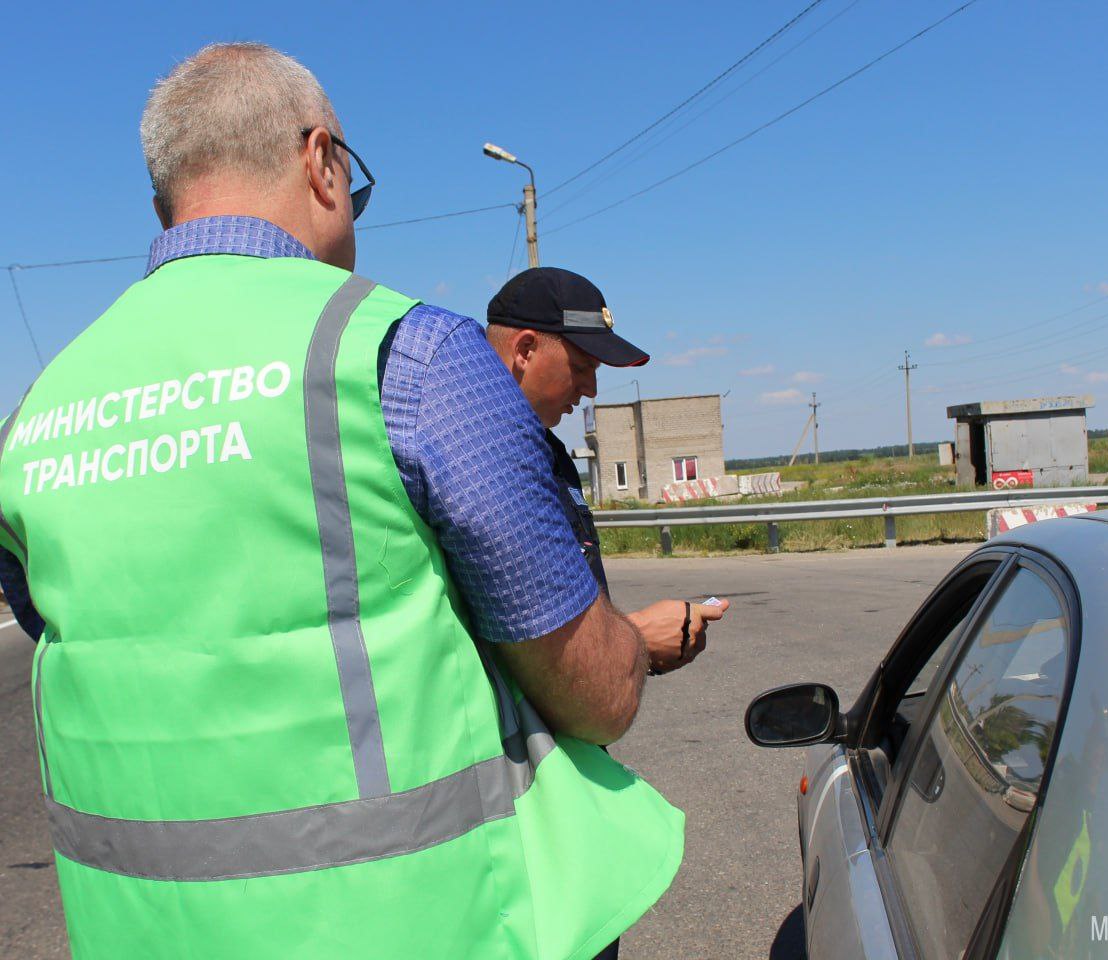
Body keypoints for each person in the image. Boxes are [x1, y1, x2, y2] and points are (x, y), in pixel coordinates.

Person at [0, 43, 683, 960]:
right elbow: (595, 693)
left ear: (168, 199)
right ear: (322, 162)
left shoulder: (40, 416)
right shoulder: (399, 358)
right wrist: (634, 644)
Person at [485, 267, 729, 678]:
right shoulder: (477, 458)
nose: (592, 390)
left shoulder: (547, 452)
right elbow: (517, 650)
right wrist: (636, 637)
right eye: (582, 367)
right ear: (525, 350)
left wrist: (625, 647)